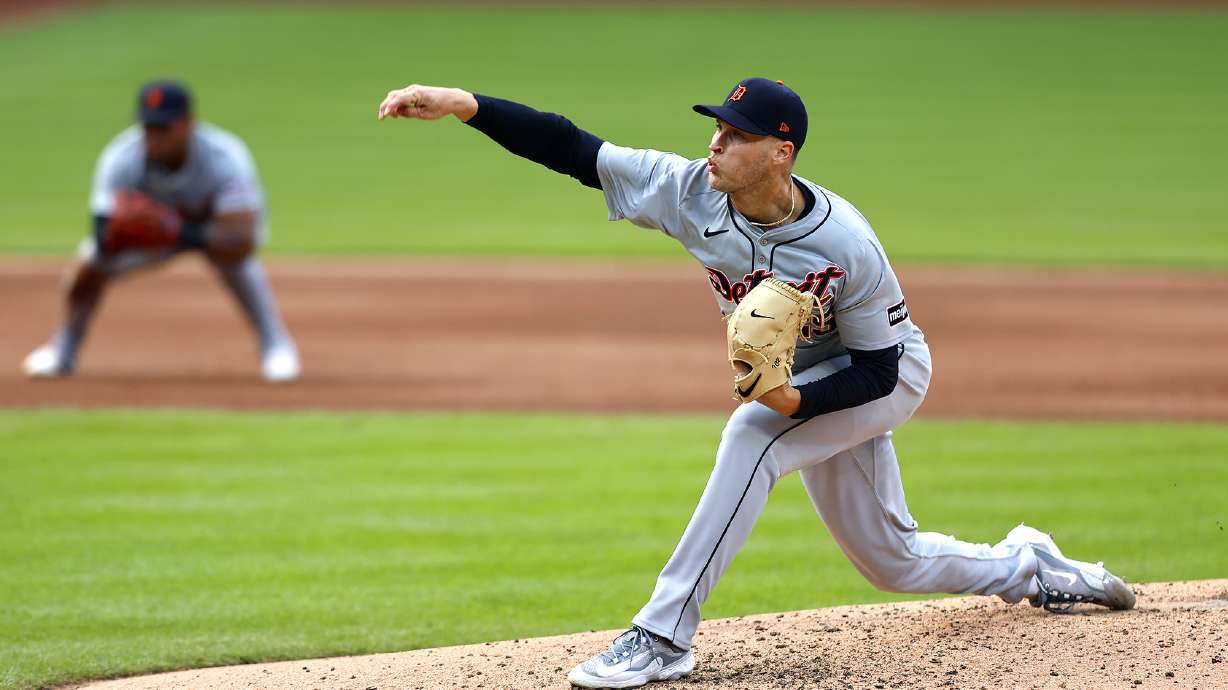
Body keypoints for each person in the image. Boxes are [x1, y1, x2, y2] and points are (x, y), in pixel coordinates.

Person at [376, 78, 1135, 689]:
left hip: (886, 375)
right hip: (812, 380)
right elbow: (575, 147)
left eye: (735, 135)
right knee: (890, 560)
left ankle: (663, 634)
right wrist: (467, 107)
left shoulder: (845, 244)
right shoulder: (690, 190)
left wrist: (792, 402)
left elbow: (878, 368)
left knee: (754, 435)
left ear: (781, 152)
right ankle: (1030, 565)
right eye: (716, 128)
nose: (715, 143)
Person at [22, 80, 300, 382]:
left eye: (163, 129)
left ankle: (276, 347)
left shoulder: (225, 157)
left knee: (239, 264)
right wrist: (143, 230)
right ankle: (62, 351)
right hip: (155, 241)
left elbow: (242, 240)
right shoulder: (121, 157)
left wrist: (174, 228)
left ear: (188, 125)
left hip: (213, 236)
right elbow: (102, 237)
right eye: (148, 128)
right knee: (87, 270)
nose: (153, 138)